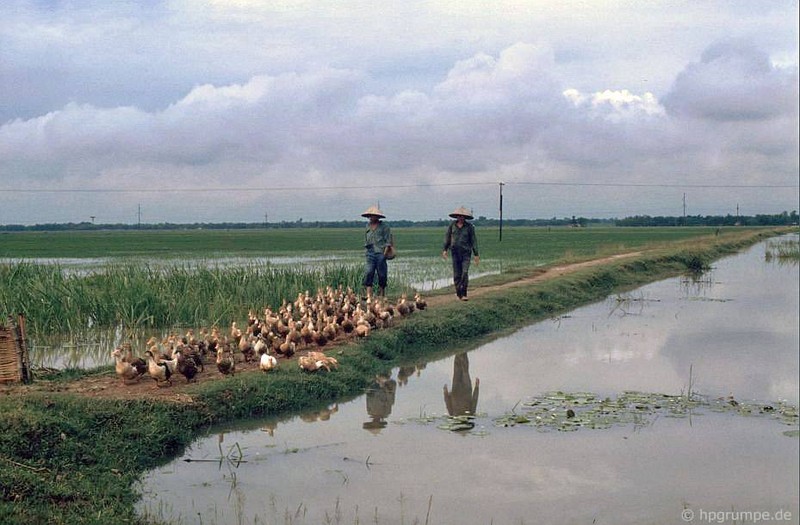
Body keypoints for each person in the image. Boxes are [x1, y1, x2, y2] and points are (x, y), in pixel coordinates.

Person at [441, 206, 479, 301]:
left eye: (462, 216)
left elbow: (473, 240)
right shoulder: (452, 226)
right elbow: (447, 238)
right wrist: (445, 250)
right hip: (455, 253)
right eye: (459, 216)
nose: (461, 218)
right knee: (457, 274)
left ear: (465, 217)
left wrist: (476, 254)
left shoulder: (469, 227)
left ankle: (464, 293)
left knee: (464, 272)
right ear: (457, 217)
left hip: (466, 253)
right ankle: (459, 293)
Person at [361, 205, 394, 298]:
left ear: (378, 216)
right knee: (369, 272)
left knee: (382, 274)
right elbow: (366, 239)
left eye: (374, 215)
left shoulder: (384, 227)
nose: (372, 217)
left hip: (381, 252)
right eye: (370, 215)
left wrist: (384, 254)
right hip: (370, 252)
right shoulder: (367, 226)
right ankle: (369, 295)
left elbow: (388, 242)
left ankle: (381, 294)